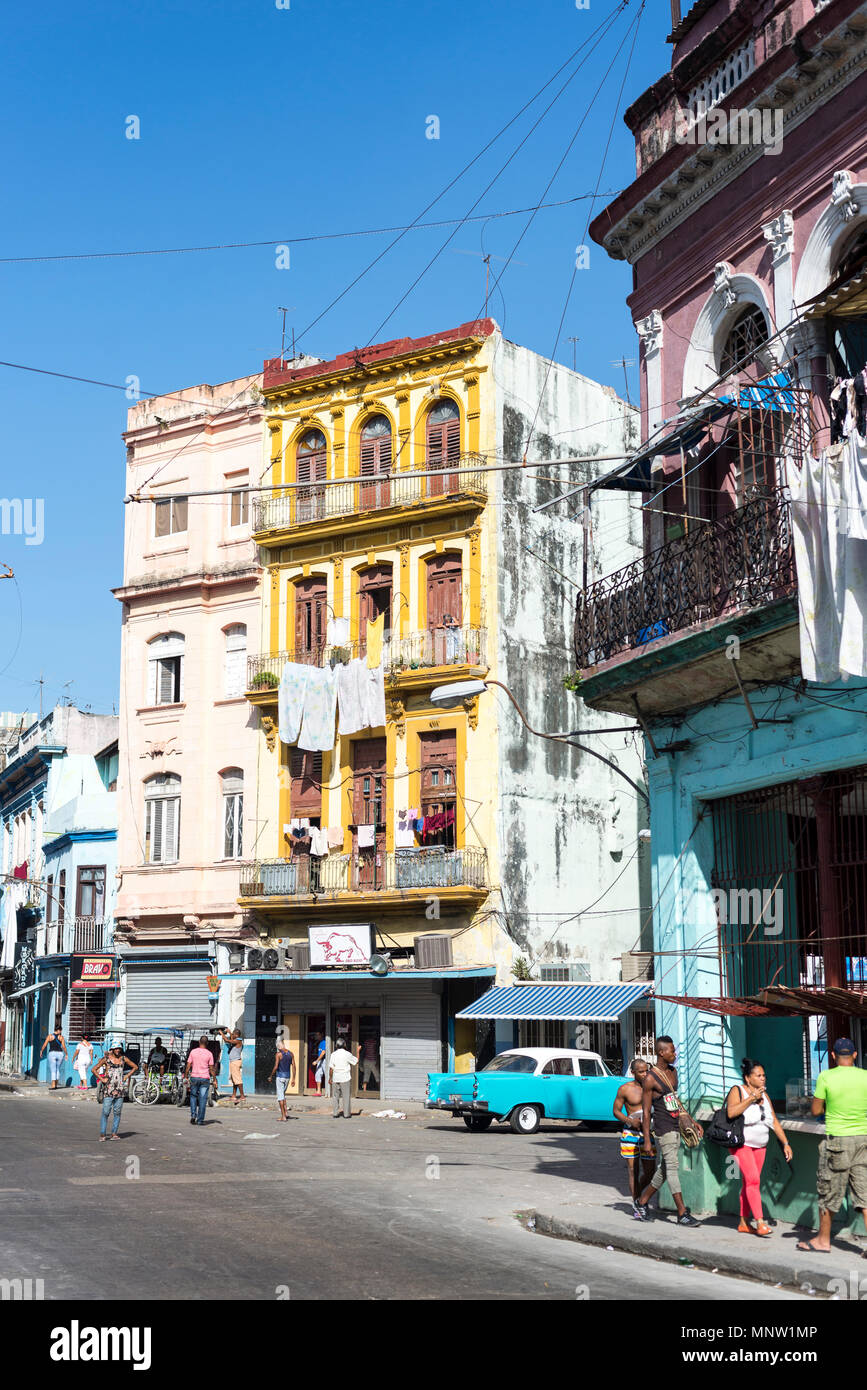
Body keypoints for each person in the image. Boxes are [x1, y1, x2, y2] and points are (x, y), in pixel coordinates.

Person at [797, 1037, 867, 1254]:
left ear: (834, 1056)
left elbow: (816, 1111)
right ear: (855, 1055)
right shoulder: (865, 1076)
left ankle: (823, 1240)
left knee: (828, 1190)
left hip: (838, 1141)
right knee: (865, 1194)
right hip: (863, 1139)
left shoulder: (826, 1076)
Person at [632, 1036, 702, 1226]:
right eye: (672, 1051)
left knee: (664, 1170)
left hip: (676, 1126)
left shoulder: (673, 1072)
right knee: (672, 1169)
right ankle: (682, 1213)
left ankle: (642, 1202)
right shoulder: (650, 1078)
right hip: (663, 1129)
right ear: (661, 1052)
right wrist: (647, 1140)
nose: (675, 1054)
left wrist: (690, 1119)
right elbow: (646, 1112)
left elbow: (675, 1100)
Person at [726, 1057, 792, 1237]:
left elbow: (774, 1121)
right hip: (742, 1144)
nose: (763, 1078)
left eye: (764, 1075)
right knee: (754, 1180)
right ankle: (760, 1222)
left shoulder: (765, 1095)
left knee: (749, 1182)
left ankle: (743, 1222)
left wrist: (785, 1143)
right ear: (748, 1078)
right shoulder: (737, 1090)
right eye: (758, 1075)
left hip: (761, 1145)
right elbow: (731, 1112)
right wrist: (751, 1098)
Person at [613, 1059, 657, 1199]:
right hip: (630, 1133)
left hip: (647, 1134)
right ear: (633, 1072)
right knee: (634, 1171)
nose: (645, 1074)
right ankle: (637, 1203)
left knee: (650, 1172)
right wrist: (630, 1121)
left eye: (646, 1071)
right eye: (641, 1072)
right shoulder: (625, 1089)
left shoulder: (651, 1087)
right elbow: (616, 1111)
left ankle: (638, 1198)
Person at [92, 1044, 138, 1142]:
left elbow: (135, 1067)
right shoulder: (106, 1059)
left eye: (119, 1049)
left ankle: (114, 1133)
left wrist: (126, 1076)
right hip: (108, 1090)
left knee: (117, 1112)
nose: (118, 1050)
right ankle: (102, 1134)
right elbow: (94, 1069)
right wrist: (102, 1079)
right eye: (116, 1048)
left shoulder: (123, 1059)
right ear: (112, 1049)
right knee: (105, 1112)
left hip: (120, 1090)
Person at [184, 1035, 216, 1126]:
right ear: (207, 1043)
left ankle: (193, 1115)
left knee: (193, 1096)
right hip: (205, 1079)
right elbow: (211, 1069)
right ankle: (200, 1120)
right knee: (202, 1099)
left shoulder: (193, 1052)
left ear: (199, 1042)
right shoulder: (209, 1054)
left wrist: (186, 1076)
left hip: (194, 1077)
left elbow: (188, 1065)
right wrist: (214, 1079)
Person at [328, 1037, 357, 1118]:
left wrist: (330, 1078)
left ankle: (335, 1113)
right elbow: (356, 1061)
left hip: (336, 1077)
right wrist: (358, 1051)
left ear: (336, 1045)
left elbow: (331, 1068)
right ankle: (346, 1114)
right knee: (346, 1096)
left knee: (335, 1096)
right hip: (345, 1078)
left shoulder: (333, 1054)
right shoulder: (347, 1054)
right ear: (344, 1045)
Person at [269, 1039, 296, 1121]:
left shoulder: (278, 1054)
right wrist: (293, 1079)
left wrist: (271, 1076)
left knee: (280, 1097)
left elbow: (276, 1067)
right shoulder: (291, 1053)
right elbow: (294, 1066)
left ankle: (283, 1116)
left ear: (278, 1047)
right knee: (283, 1095)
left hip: (280, 1076)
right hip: (288, 1076)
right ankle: (286, 1113)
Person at [220, 1027, 245, 1105]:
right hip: (233, 1062)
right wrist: (230, 1032)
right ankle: (233, 1095)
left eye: (234, 1034)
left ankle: (242, 1096)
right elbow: (231, 1039)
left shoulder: (238, 1040)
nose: (232, 1035)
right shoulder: (236, 1039)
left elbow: (227, 1041)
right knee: (234, 1080)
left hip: (235, 1062)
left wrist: (222, 1034)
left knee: (238, 1080)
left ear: (237, 1035)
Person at [39, 1025, 68, 1089]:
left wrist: (41, 1051)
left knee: (53, 1070)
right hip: (60, 1054)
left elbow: (45, 1044)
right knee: (57, 1069)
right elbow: (63, 1047)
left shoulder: (50, 1036)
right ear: (59, 1030)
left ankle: (53, 1085)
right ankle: (56, 1084)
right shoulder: (61, 1037)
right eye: (60, 1030)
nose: (61, 1031)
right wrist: (66, 1054)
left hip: (52, 1053)